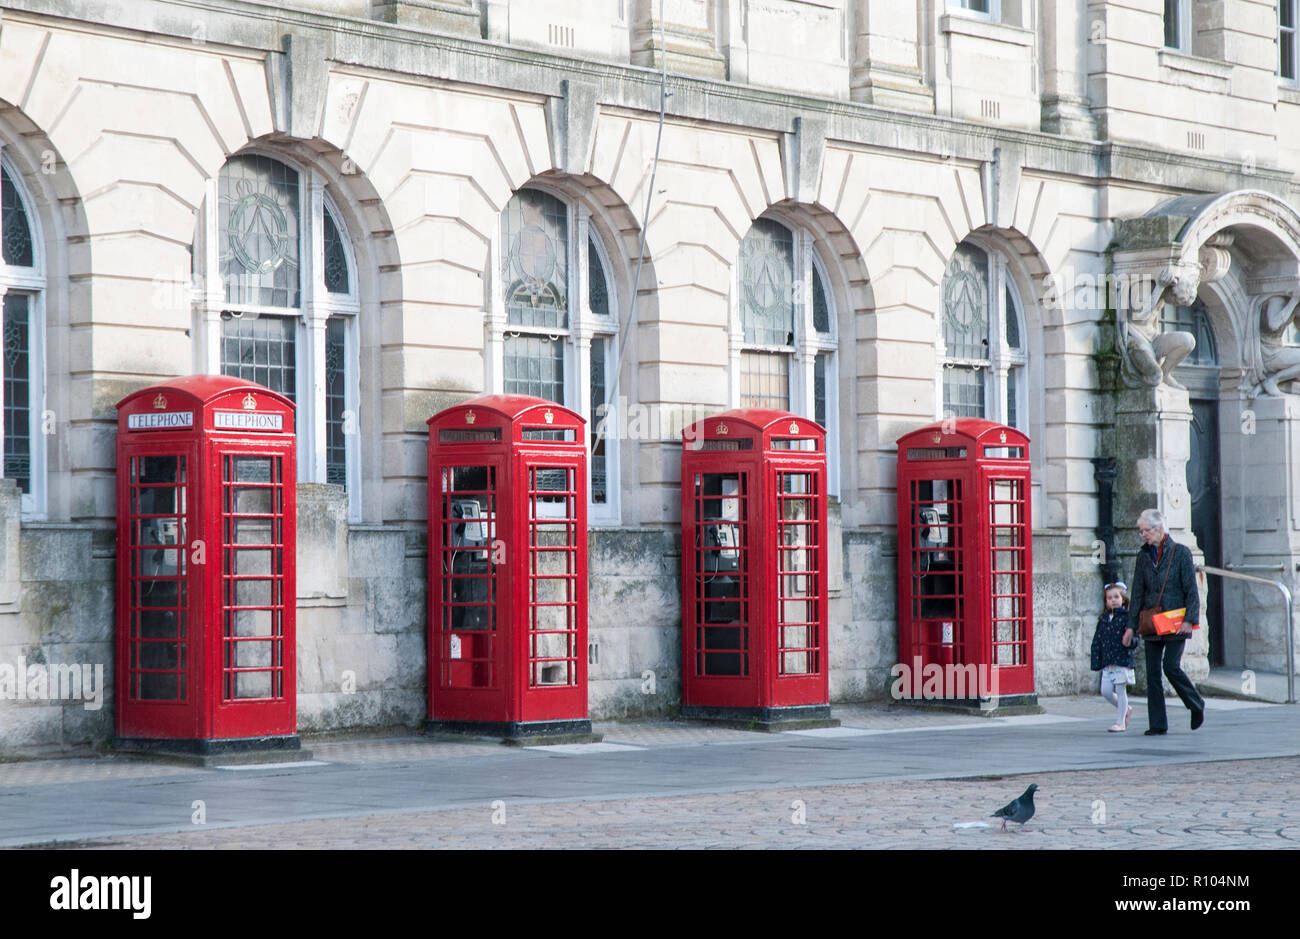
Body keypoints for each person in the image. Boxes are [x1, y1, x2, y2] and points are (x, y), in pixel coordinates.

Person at [1125, 508, 1205, 735]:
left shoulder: (1180, 553)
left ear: (1160, 528)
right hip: (1151, 621)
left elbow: (1191, 589)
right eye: (1141, 532)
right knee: (1152, 674)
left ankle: (1195, 703)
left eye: (1146, 531)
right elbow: (1137, 591)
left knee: (1170, 666)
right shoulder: (1143, 556)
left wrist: (1190, 620)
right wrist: (1131, 626)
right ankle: (1158, 724)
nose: (1143, 535)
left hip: (1175, 621)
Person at [1090, 582, 1135, 732]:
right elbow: (1097, 640)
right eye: (1109, 598)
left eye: (1116, 597)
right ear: (1106, 601)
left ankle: (1120, 722)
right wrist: (1096, 659)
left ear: (1123, 599)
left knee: (1121, 690)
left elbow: (1135, 637)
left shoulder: (1127, 617)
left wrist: (1130, 642)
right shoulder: (1103, 618)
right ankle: (1126, 709)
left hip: (1122, 660)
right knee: (1106, 691)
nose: (1113, 600)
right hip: (1108, 662)